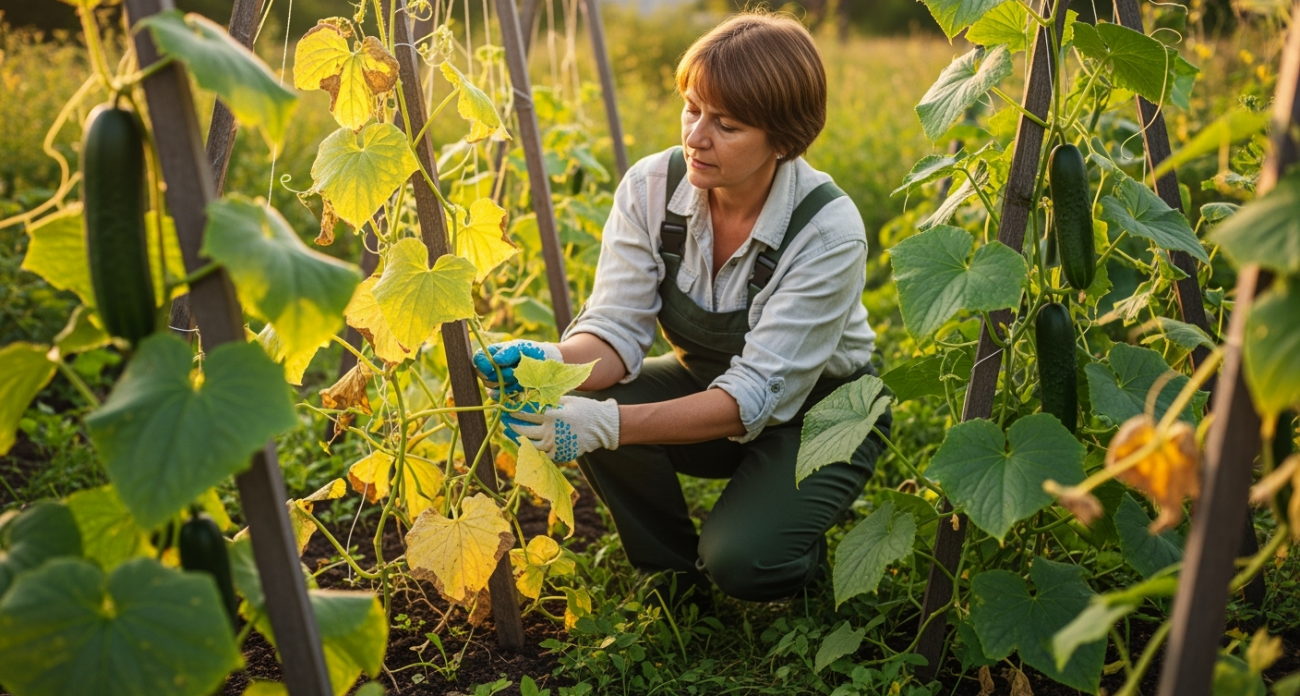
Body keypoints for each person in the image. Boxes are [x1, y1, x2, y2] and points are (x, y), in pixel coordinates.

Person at [472, 10, 889, 606]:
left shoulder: (826, 232)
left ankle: (788, 548)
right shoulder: (651, 188)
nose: (695, 136)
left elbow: (756, 393)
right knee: (586, 393)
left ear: (784, 139)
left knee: (744, 561)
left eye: (727, 124)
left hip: (824, 414)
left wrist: (608, 428)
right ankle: (671, 580)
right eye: (692, 109)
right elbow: (615, 333)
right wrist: (549, 359)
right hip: (708, 386)